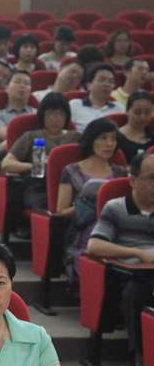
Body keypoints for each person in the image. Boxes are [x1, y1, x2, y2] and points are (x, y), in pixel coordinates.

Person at [87, 151, 154, 366]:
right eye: (151, 178)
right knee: (138, 292)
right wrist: (137, 252)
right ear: (133, 180)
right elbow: (94, 245)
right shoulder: (116, 207)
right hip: (127, 276)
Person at [58, 118, 128, 279]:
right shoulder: (71, 171)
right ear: (91, 140)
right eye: (103, 138)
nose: (109, 144)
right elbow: (60, 212)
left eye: (113, 139)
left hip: (117, 232)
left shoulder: (121, 173)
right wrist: (87, 205)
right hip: (84, 232)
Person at [1, 92, 79, 209]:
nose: (55, 119)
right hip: (40, 188)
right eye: (50, 114)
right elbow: (6, 164)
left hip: (71, 187)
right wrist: (36, 166)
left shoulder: (76, 138)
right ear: (42, 115)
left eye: (60, 114)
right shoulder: (31, 136)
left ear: (67, 116)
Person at [0, 70, 35, 153]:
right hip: (6, 155)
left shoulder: (37, 113)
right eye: (17, 82)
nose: (22, 86)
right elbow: (11, 136)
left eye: (27, 83)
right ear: (6, 87)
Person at [69, 63, 125, 133]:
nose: (107, 84)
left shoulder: (119, 108)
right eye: (102, 80)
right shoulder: (74, 105)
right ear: (89, 85)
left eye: (110, 81)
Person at [117, 90, 154, 160]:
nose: (143, 117)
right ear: (127, 111)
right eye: (137, 112)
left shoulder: (152, 135)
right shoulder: (116, 138)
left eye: (147, 112)